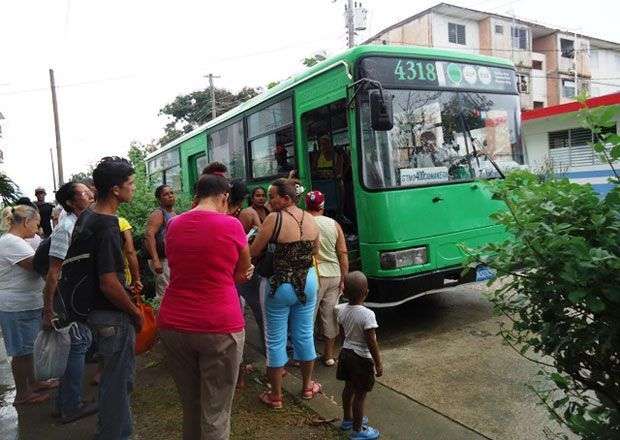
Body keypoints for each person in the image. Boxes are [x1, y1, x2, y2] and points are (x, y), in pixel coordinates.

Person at [158, 174, 253, 440]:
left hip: (174, 323)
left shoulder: (174, 224)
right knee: (216, 410)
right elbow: (240, 273)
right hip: (219, 325)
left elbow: (181, 266)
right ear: (224, 197)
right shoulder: (232, 226)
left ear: (197, 195)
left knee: (191, 405)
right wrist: (244, 273)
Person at [79, 156, 143, 440]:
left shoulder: (87, 217)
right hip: (112, 316)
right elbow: (108, 283)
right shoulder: (107, 225)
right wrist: (135, 312)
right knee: (118, 384)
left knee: (111, 382)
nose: (134, 187)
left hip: (95, 311)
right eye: (130, 183)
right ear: (116, 189)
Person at [250, 178, 321, 409]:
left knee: (275, 339)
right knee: (304, 334)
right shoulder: (311, 218)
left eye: (273, 196)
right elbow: (316, 250)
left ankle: (276, 396)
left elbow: (254, 250)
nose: (269, 201)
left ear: (287, 198)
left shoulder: (274, 218)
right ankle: (308, 386)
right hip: (308, 280)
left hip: (279, 284)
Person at [42, 181, 97, 423]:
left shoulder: (79, 222)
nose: (90, 194)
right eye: (84, 193)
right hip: (68, 295)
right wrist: (49, 309)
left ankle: (65, 402)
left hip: (74, 292)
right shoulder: (66, 227)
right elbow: (54, 271)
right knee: (78, 344)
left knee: (78, 344)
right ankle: (70, 406)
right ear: (71, 203)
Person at [0, 205, 50, 405]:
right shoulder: (11, 242)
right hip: (16, 305)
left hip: (26, 302)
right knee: (21, 352)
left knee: (30, 348)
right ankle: (23, 394)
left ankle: (34, 383)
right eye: (36, 224)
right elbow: (37, 265)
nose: (37, 229)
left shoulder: (17, 241)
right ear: (27, 221)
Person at [336, 271, 383, 439]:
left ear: (345, 292)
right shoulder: (367, 315)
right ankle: (358, 430)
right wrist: (378, 363)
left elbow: (342, 335)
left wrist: (342, 350)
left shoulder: (340, 310)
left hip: (346, 354)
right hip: (361, 358)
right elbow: (371, 342)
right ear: (366, 292)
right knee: (360, 395)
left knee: (348, 387)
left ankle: (348, 419)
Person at [305, 190, 348, 365]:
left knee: (308, 317)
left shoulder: (305, 223)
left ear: (306, 205)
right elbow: (343, 253)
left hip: (313, 275)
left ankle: (307, 357)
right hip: (334, 274)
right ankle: (329, 356)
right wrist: (345, 278)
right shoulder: (334, 224)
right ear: (323, 205)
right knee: (330, 316)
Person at [144, 184, 176, 298]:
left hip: (170, 259)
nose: (170, 196)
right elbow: (149, 235)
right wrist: (155, 260)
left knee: (171, 290)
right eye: (166, 194)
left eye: (171, 193)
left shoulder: (173, 213)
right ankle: (159, 314)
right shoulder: (158, 213)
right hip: (161, 260)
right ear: (159, 199)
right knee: (164, 292)